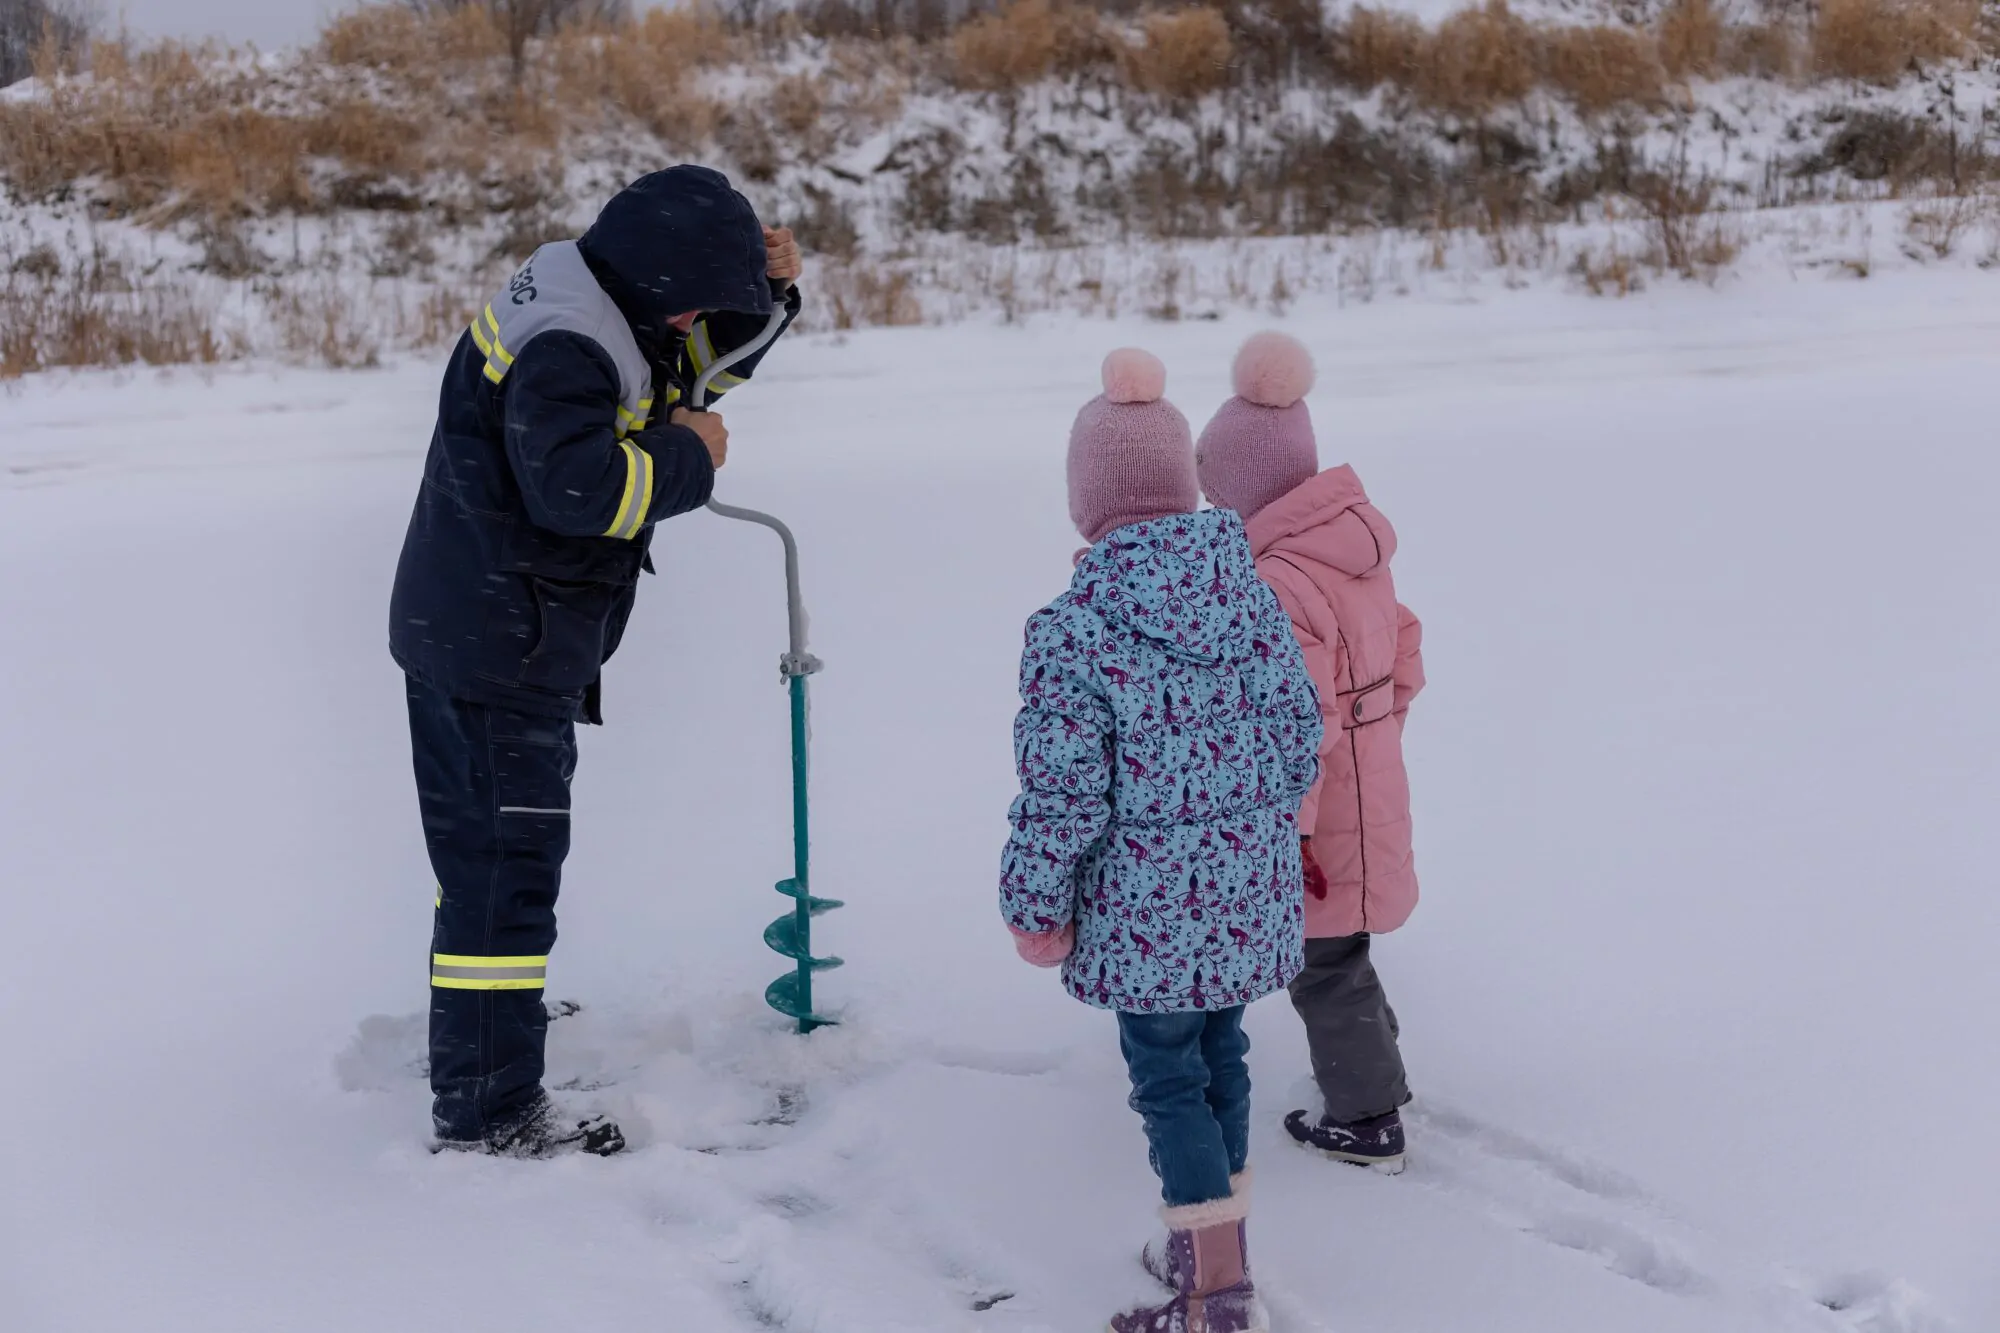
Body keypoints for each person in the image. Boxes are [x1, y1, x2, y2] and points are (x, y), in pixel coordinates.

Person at [387, 165, 804, 1158]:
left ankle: (489, 1025)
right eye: (706, 295)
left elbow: (688, 367)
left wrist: (768, 295)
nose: (703, 317)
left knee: (486, 864)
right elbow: (576, 491)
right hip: (498, 650)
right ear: (659, 281)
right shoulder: (571, 346)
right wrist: (691, 458)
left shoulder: (599, 290)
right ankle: (491, 1108)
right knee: (504, 874)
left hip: (485, 630)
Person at [1000, 349, 1323, 1333]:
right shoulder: (1252, 600)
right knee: (1220, 1055)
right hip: (1242, 897)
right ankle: (1206, 1250)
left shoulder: (1074, 628)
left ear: (1085, 502)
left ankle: (1213, 1295)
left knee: (1168, 1082)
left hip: (1143, 918)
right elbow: (1301, 740)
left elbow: (1061, 790)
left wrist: (1034, 901)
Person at [1194, 332, 1425, 1173]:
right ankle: (1378, 1075)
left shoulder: (1281, 577)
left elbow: (1300, 718)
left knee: (1324, 960)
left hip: (1324, 800)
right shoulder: (1352, 547)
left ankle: (1369, 1120)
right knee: (1346, 944)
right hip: (1371, 775)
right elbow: (1406, 648)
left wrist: (1288, 827)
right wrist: (1383, 728)